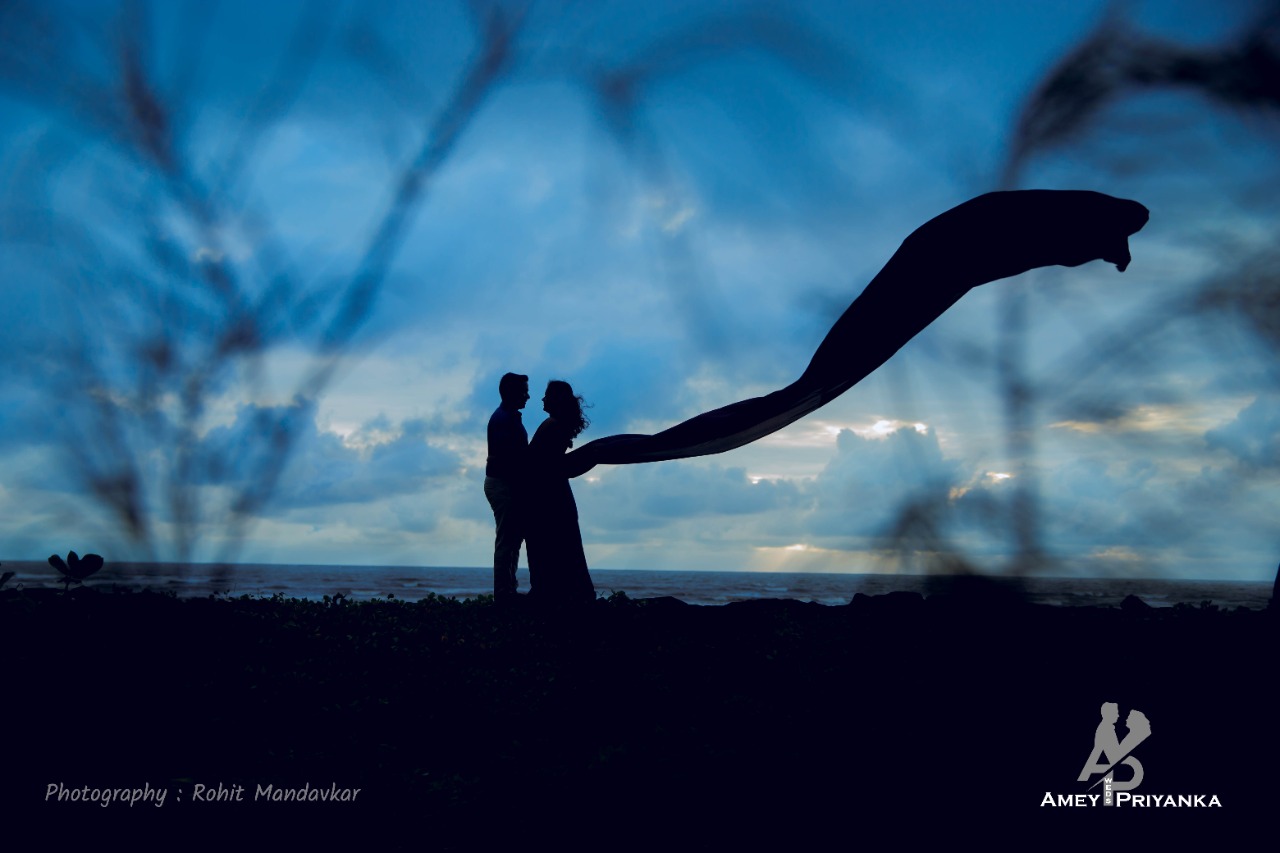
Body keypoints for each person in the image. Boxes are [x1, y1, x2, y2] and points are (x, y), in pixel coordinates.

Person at [525, 380, 595, 605]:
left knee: (546, 544)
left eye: (546, 395)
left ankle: (548, 595)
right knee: (563, 545)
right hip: (555, 492)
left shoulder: (552, 425)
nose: (542, 399)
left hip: (548, 494)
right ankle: (563, 595)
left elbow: (537, 461)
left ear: (555, 399)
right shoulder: (557, 424)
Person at [484, 372, 530, 601]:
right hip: (503, 485)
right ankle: (503, 593)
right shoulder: (503, 419)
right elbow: (508, 459)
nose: (528, 396)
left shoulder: (509, 417)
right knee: (507, 540)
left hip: (507, 484)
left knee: (512, 539)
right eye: (524, 391)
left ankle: (508, 589)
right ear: (511, 393)